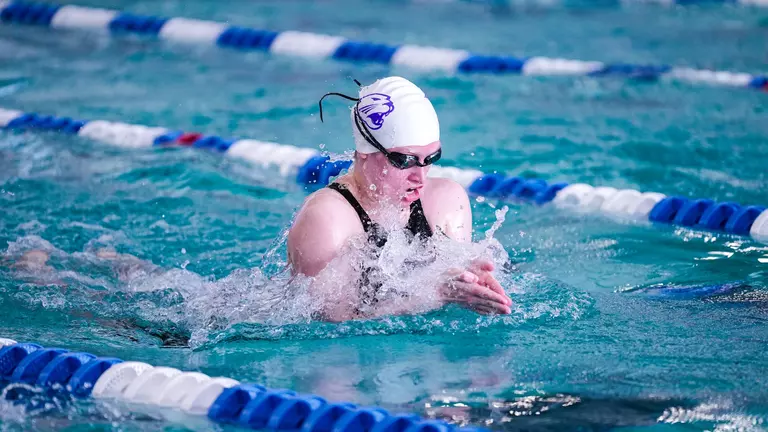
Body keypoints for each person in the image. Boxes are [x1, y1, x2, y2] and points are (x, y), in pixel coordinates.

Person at [287, 76, 512, 322]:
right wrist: (432, 295)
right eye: (405, 161)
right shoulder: (327, 220)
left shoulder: (445, 202)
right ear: (364, 153)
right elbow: (330, 324)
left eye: (431, 158)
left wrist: (471, 282)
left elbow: (451, 294)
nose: (420, 177)